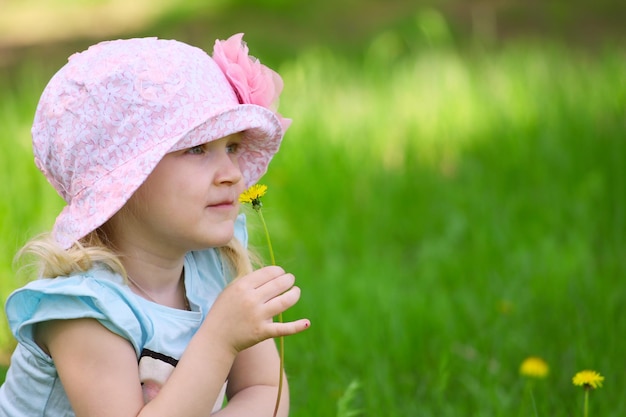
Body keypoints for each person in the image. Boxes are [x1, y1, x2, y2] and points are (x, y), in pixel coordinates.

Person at [0, 33, 310, 417]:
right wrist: (219, 338)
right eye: (197, 149)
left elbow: (266, 389)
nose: (232, 173)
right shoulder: (86, 311)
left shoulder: (217, 266)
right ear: (126, 181)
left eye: (231, 147)